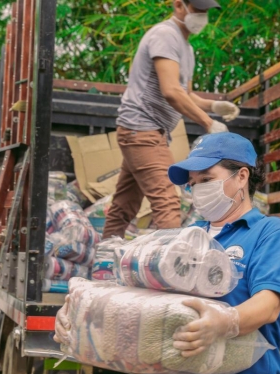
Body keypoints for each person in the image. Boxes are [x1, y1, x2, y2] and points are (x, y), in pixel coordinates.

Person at [136, 132, 280, 374]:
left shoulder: (269, 232)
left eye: (207, 179)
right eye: (193, 183)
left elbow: (269, 306)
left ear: (242, 177)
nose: (198, 190)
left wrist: (224, 322)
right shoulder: (185, 236)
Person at [103, 0, 240, 239]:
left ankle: (103, 259)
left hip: (146, 132)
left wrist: (213, 105)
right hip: (142, 129)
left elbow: (185, 94)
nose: (202, 16)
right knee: (167, 201)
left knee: (124, 205)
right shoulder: (165, 35)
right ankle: (172, 271)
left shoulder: (186, 48)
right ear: (179, 5)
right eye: (198, 9)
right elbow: (170, 91)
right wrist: (209, 123)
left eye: (206, 11)